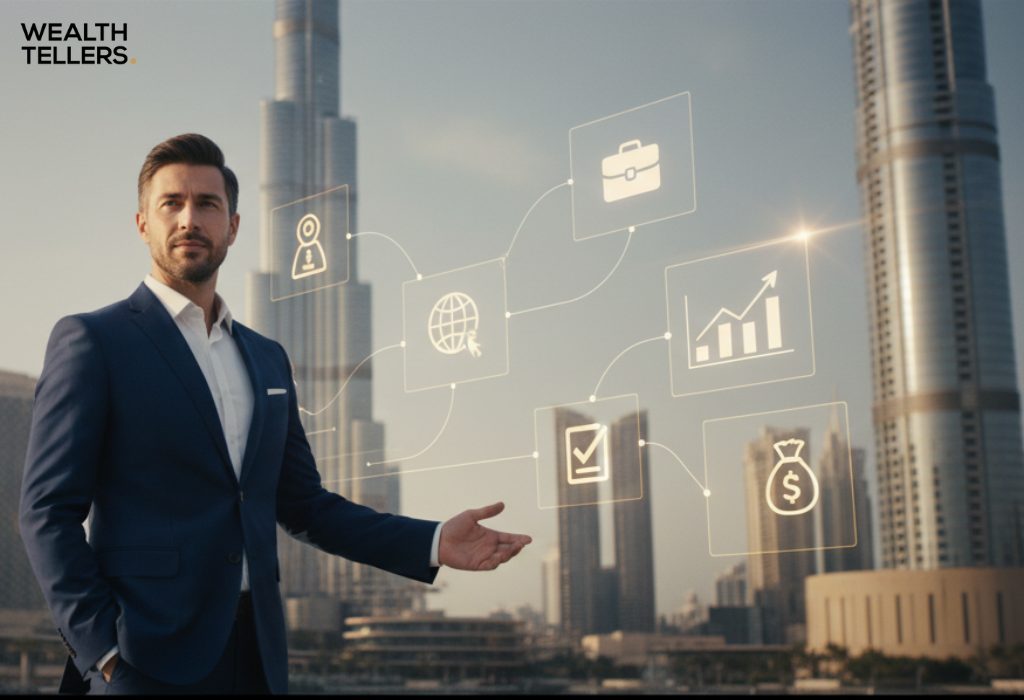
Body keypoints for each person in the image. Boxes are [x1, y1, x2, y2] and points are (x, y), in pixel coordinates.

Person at [19, 133, 532, 695]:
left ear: (233, 226)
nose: (190, 218)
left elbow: (304, 505)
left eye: (208, 204)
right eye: (171, 203)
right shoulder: (94, 341)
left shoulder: (266, 358)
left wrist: (434, 542)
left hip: (256, 656)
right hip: (143, 657)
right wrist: (105, 651)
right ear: (142, 223)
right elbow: (47, 511)